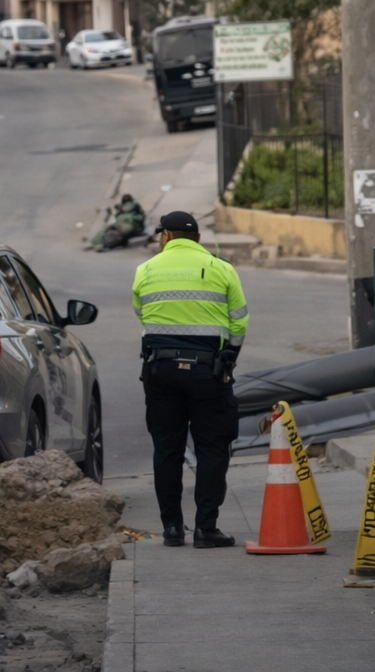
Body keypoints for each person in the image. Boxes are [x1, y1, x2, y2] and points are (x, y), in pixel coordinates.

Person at [132, 210, 247, 549]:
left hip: (160, 370)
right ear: (197, 238)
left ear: (165, 236)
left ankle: (171, 528)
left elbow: (142, 315)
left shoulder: (145, 270)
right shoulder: (221, 269)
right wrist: (228, 358)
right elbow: (239, 321)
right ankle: (205, 528)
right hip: (208, 371)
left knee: (167, 449)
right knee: (212, 447)